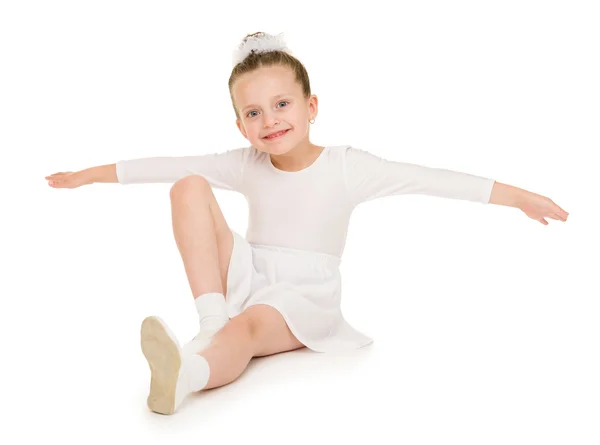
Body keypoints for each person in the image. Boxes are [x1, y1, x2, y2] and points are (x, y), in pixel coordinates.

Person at [44, 31, 570, 415]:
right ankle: (208, 324)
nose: (269, 120)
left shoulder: (348, 167)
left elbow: (431, 178)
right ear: (239, 124)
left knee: (247, 328)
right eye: (252, 113)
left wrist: (521, 197)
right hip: (252, 272)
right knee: (187, 184)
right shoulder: (246, 162)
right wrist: (87, 176)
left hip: (305, 294)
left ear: (311, 105)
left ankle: (186, 376)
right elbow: (164, 165)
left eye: (280, 104)